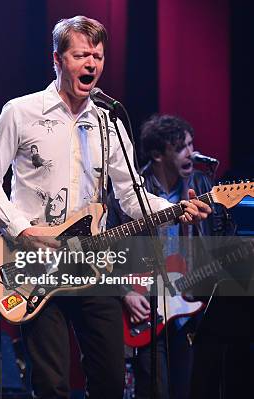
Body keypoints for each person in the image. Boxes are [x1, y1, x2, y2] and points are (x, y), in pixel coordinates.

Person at [0, 16, 211, 398]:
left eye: (98, 56)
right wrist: (22, 230)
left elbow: (130, 196)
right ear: (57, 59)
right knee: (51, 383)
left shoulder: (109, 123)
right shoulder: (20, 112)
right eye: (81, 55)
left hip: (94, 265)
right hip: (34, 262)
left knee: (110, 379)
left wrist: (173, 207)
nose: (91, 64)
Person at [109, 114, 233, 399]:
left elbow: (219, 240)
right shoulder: (133, 192)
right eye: (180, 147)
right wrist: (125, 290)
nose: (191, 153)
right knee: (155, 390)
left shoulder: (201, 185)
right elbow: (110, 246)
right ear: (157, 154)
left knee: (187, 389)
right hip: (147, 307)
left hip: (188, 308)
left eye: (191, 144)